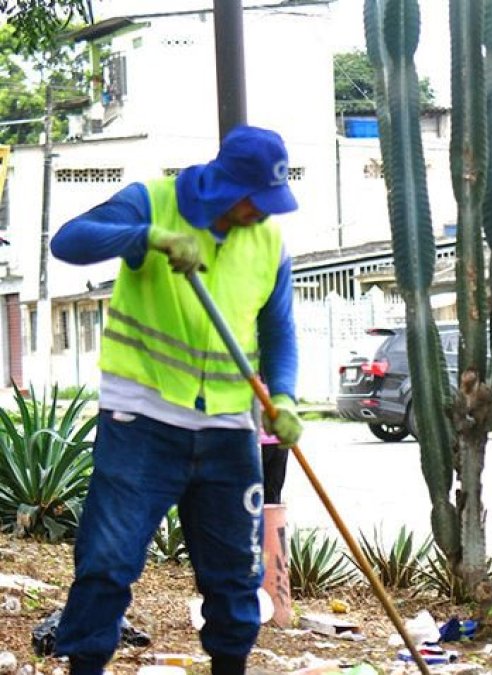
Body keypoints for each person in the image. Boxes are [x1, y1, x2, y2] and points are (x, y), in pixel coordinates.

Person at [48, 125, 304, 675]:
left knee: (234, 571)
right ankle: (86, 665)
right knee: (108, 561)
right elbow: (68, 241)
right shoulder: (152, 200)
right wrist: (147, 238)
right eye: (255, 202)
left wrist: (283, 396)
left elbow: (278, 330)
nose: (262, 213)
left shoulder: (269, 242)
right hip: (141, 417)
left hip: (228, 428)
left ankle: (230, 667)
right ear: (226, 187)